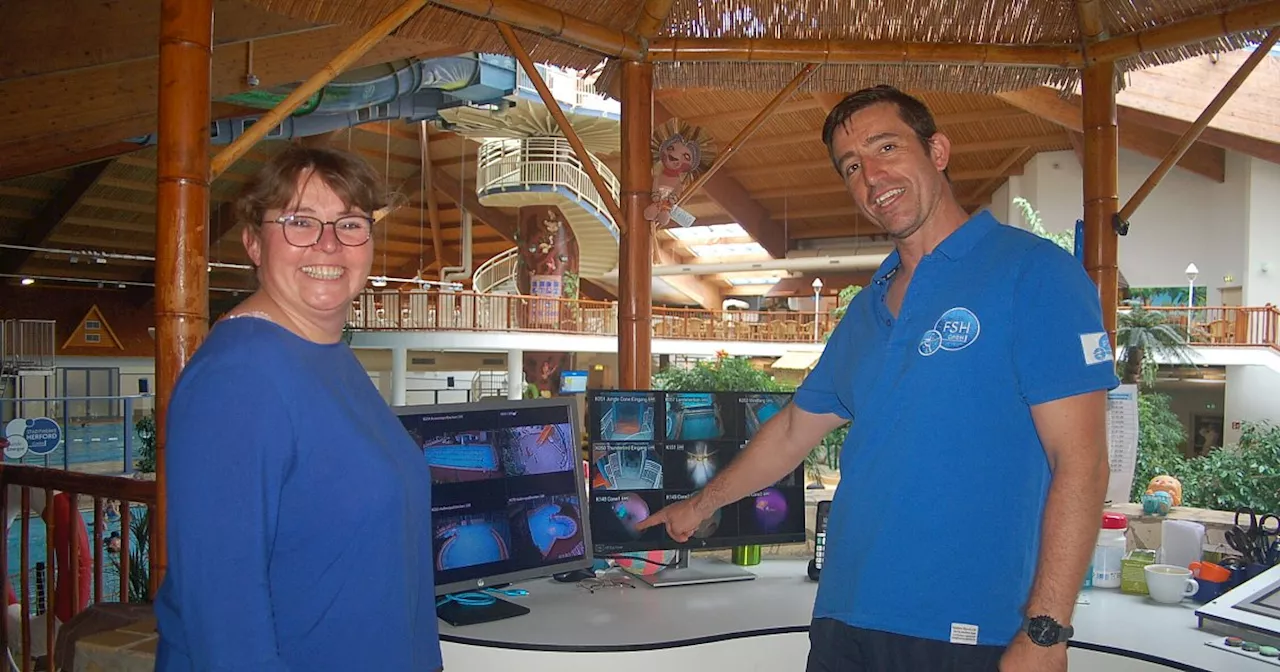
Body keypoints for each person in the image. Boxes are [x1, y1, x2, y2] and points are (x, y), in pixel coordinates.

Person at [639, 85, 1118, 672]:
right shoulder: (868, 308)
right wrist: (698, 505)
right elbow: (793, 428)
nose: (870, 176)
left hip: (966, 627)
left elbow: (1084, 462)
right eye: (851, 166)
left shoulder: (1036, 273)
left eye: (886, 147)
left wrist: (1046, 633)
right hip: (845, 615)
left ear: (937, 150)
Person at [154, 146, 442, 671]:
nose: (328, 244)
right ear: (253, 243)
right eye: (299, 222)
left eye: (349, 224)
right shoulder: (238, 378)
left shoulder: (333, 357)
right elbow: (224, 617)